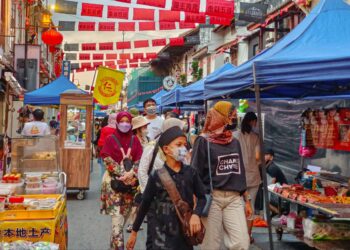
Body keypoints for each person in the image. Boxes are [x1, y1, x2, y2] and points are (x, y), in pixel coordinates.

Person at [126, 126, 206, 250]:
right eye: (178, 144)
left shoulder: (191, 173)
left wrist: (196, 214)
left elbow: (201, 197)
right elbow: (145, 203)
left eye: (185, 145)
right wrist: (134, 232)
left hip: (183, 235)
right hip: (159, 236)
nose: (183, 148)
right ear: (166, 149)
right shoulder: (156, 175)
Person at [191, 101, 251, 250]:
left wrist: (247, 199)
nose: (234, 119)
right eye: (231, 116)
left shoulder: (235, 142)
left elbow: (240, 171)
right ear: (220, 117)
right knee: (211, 245)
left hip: (234, 199)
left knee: (242, 243)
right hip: (212, 198)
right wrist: (195, 209)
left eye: (235, 116)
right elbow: (195, 173)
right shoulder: (203, 141)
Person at [100, 111, 143, 250]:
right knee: (117, 222)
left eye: (127, 121)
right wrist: (123, 173)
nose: (125, 124)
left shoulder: (135, 140)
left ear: (131, 123)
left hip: (130, 188)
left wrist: (131, 174)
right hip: (114, 186)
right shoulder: (110, 139)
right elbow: (107, 159)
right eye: (122, 121)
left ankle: (113, 246)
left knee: (121, 222)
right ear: (117, 123)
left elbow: (140, 160)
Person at [234, 112, 260, 242]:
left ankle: (239, 235)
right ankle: (248, 235)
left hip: (239, 177)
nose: (256, 125)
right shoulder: (256, 137)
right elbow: (257, 156)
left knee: (239, 206)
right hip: (253, 176)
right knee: (251, 206)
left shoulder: (235, 136)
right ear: (252, 122)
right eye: (255, 122)